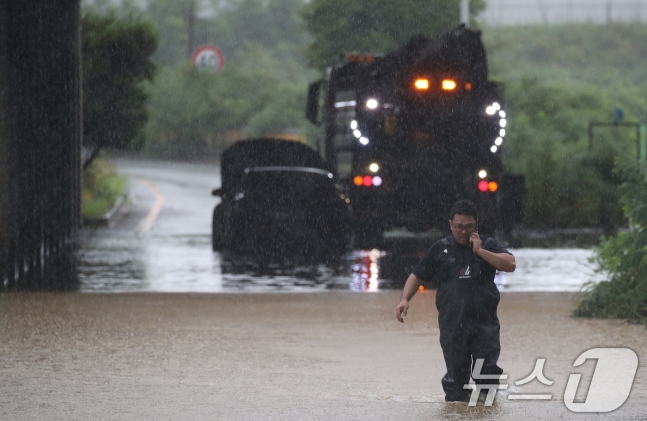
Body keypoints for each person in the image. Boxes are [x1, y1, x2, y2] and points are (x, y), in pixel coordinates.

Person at [395, 200, 516, 402]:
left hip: (484, 324)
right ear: (450, 224)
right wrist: (404, 299)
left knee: (486, 375)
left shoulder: (488, 245)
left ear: (476, 225)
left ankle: (487, 412)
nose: (463, 232)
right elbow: (417, 276)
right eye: (459, 226)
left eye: (469, 226)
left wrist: (480, 252)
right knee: (457, 386)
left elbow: (510, 264)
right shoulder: (440, 249)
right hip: (453, 325)